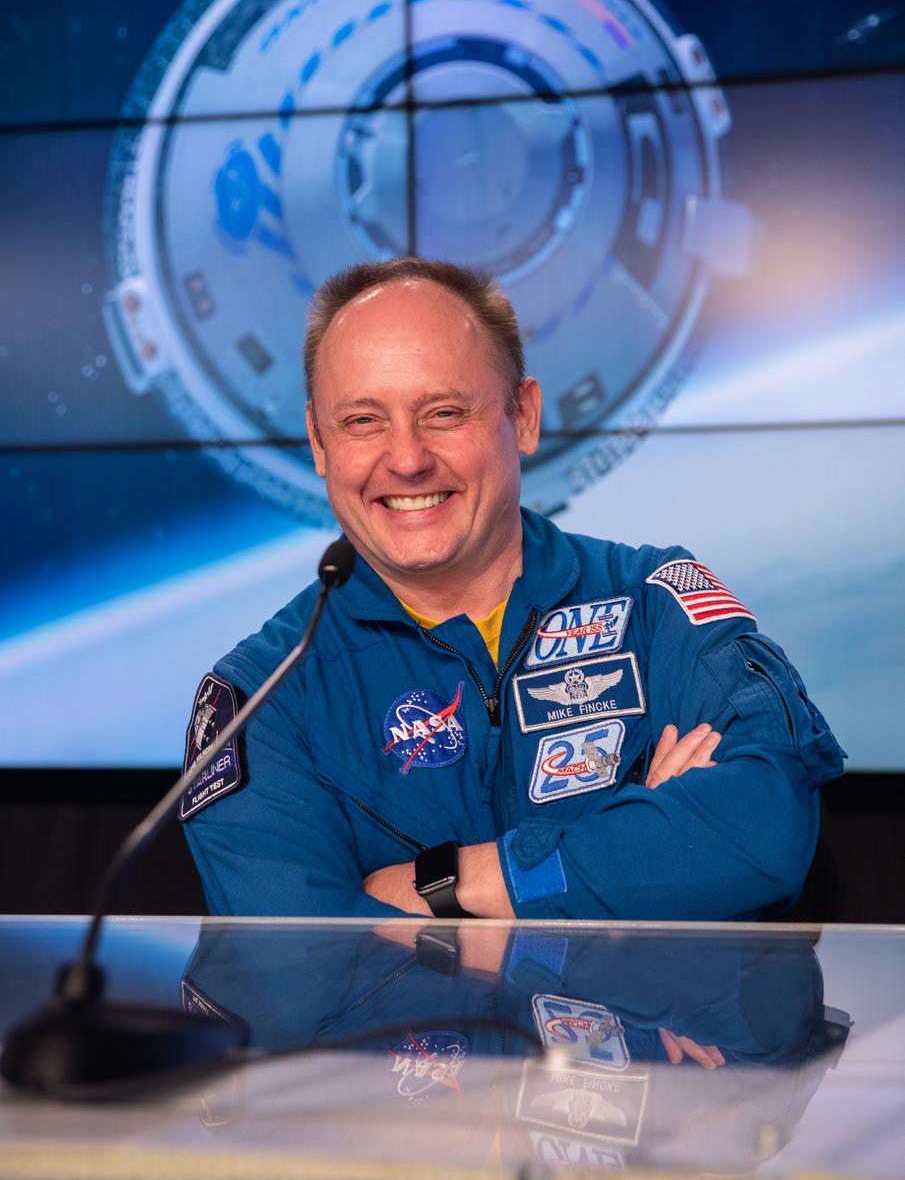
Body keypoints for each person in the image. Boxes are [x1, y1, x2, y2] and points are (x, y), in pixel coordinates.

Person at [181, 257, 845, 919]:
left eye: (443, 412)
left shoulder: (656, 609)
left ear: (523, 416)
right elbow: (296, 980)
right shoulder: (262, 698)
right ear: (319, 444)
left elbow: (755, 837)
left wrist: (443, 884)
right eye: (362, 422)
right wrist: (637, 851)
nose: (407, 459)